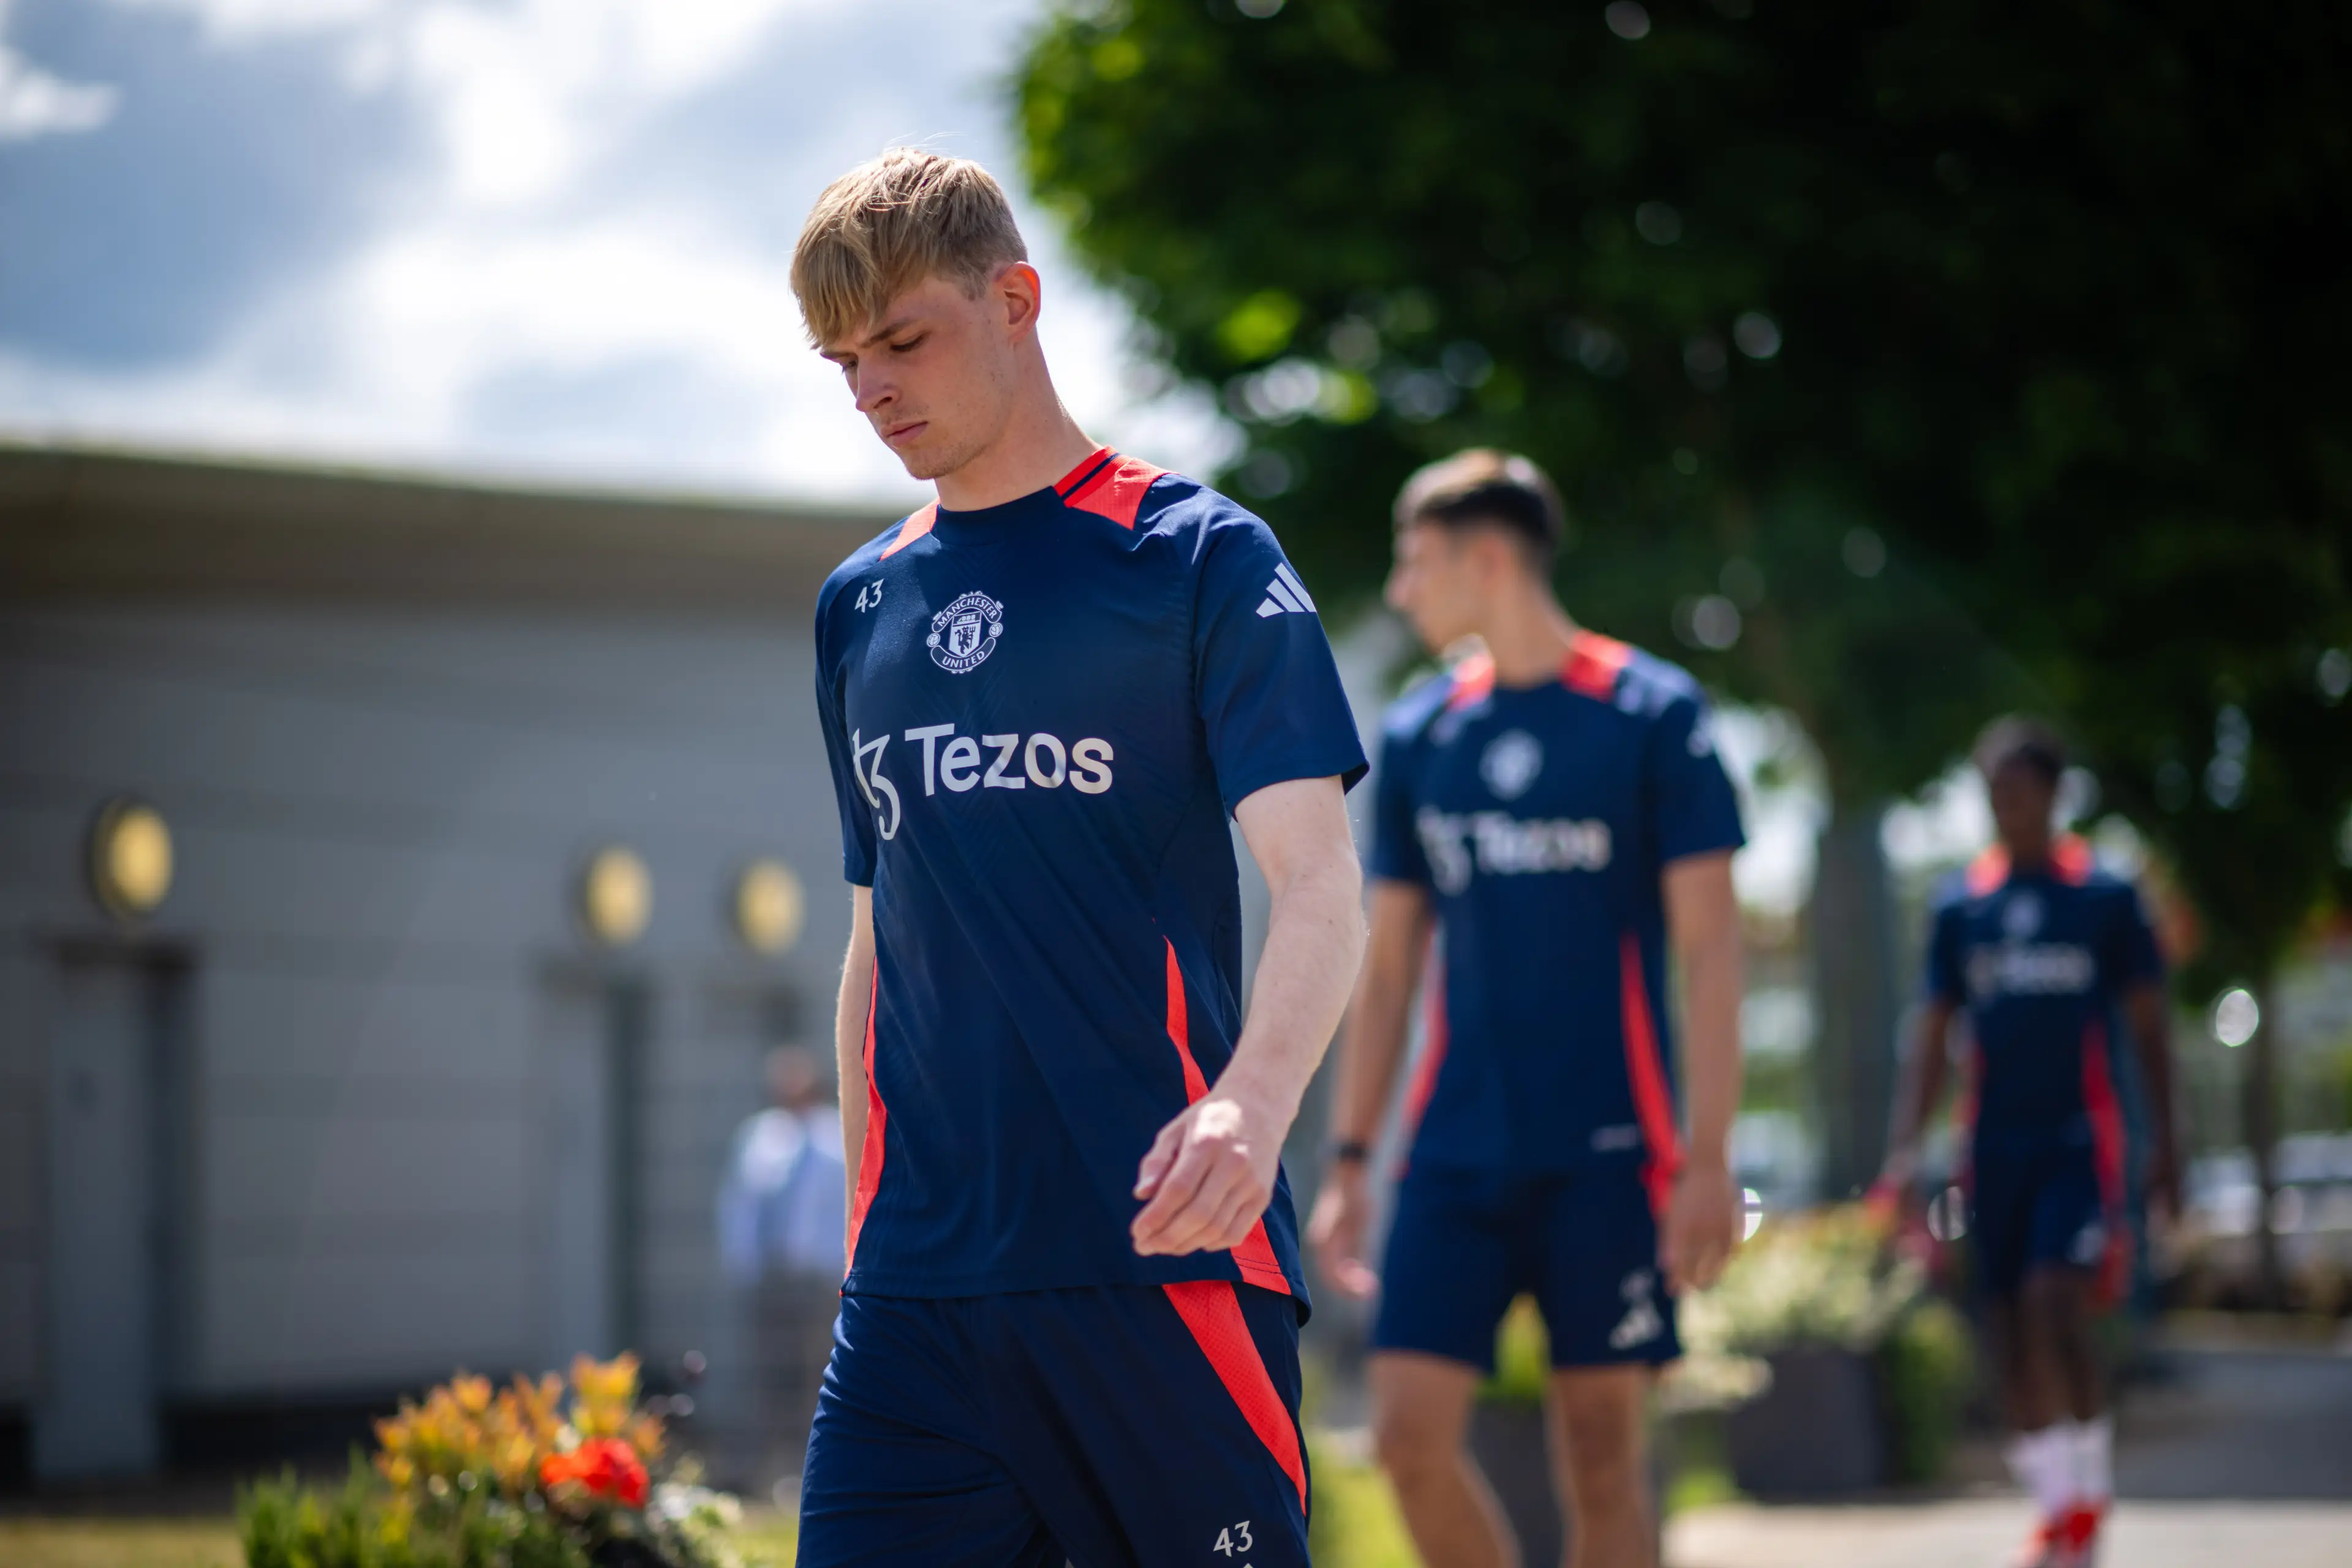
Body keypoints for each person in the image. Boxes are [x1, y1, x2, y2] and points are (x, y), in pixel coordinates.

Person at [791, 149, 1368, 1567]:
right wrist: (869, 1232)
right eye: (843, 362)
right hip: (917, 1295)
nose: (872, 389)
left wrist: (1252, 1106)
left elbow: (1318, 883)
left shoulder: (1197, 558)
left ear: (1016, 300)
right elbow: (878, 943)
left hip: (1160, 1257)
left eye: (903, 340)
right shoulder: (858, 604)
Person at [1309, 450, 1747, 1568]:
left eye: (1417, 563)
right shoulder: (1420, 733)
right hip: (1453, 1155)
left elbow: (1710, 952)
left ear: (1489, 560)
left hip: (1611, 1156)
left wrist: (1708, 1158)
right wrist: (1353, 1160)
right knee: (1405, 1441)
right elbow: (1390, 967)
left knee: (1602, 1457)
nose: (1402, 590)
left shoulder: (1652, 714)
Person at [1879, 718, 2179, 1568]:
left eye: (2019, 790)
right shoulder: (1960, 907)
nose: (2004, 806)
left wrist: (2169, 1145)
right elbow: (1933, 1033)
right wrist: (1904, 1152)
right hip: (1991, 1149)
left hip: (2078, 1142)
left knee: (2056, 1301)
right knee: (2008, 1330)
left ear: (2053, 794)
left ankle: (2089, 1492)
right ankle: (2054, 1505)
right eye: (1993, 792)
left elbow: (2149, 1030)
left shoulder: (2105, 898)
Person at [715, 1045, 847, 1495]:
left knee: (817, 1371)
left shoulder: (835, 1135)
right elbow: (740, 1204)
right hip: (773, 1277)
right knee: (770, 1372)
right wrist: (743, 1264)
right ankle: (771, 1470)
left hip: (821, 1278)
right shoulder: (762, 1136)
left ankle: (814, 1467)